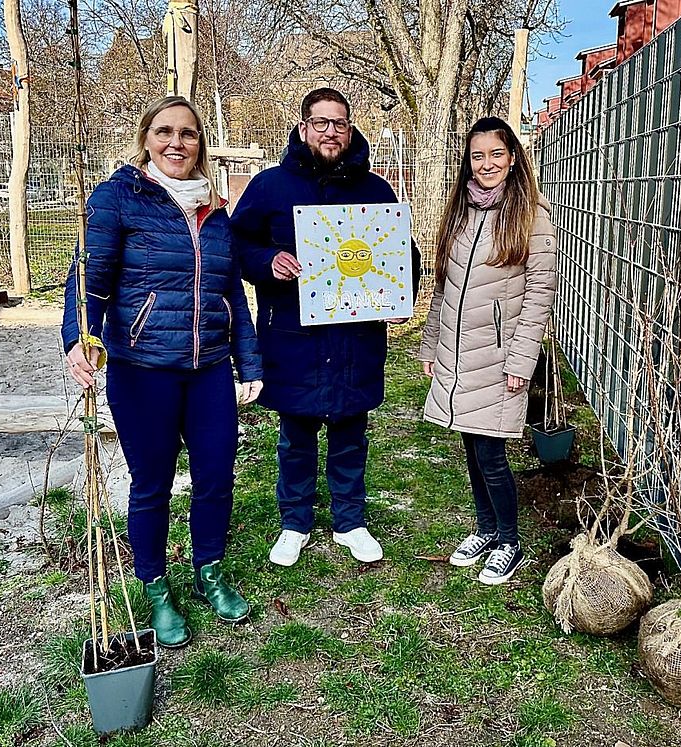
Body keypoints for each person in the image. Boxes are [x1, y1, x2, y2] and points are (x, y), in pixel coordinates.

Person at [61, 95, 262, 648]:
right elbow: (89, 277)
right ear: (146, 138)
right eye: (165, 131)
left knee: (217, 476)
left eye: (188, 133)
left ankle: (209, 570)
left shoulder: (216, 211)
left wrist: (249, 360)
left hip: (209, 372)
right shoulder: (118, 198)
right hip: (143, 369)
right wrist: (80, 336)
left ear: (200, 144)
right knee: (151, 484)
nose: (177, 142)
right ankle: (154, 586)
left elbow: (232, 295)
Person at [231, 87, 420, 567]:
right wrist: (267, 260)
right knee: (295, 435)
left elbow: (403, 252)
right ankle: (294, 523)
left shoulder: (374, 190)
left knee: (351, 433)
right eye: (321, 123)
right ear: (302, 127)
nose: (331, 132)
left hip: (354, 338)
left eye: (339, 123)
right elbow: (235, 244)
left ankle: (350, 521)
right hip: (293, 334)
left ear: (350, 128)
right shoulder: (270, 186)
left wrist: (401, 293)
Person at [418, 116, 558, 585]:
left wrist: (522, 360)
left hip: (499, 358)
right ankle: (485, 530)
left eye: (496, 154)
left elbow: (540, 290)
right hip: (457, 352)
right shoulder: (461, 209)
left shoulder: (531, 214)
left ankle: (509, 541)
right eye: (478, 156)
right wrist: (432, 342)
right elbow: (444, 283)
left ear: (513, 158)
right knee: (471, 448)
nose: (486, 164)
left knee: (491, 453)